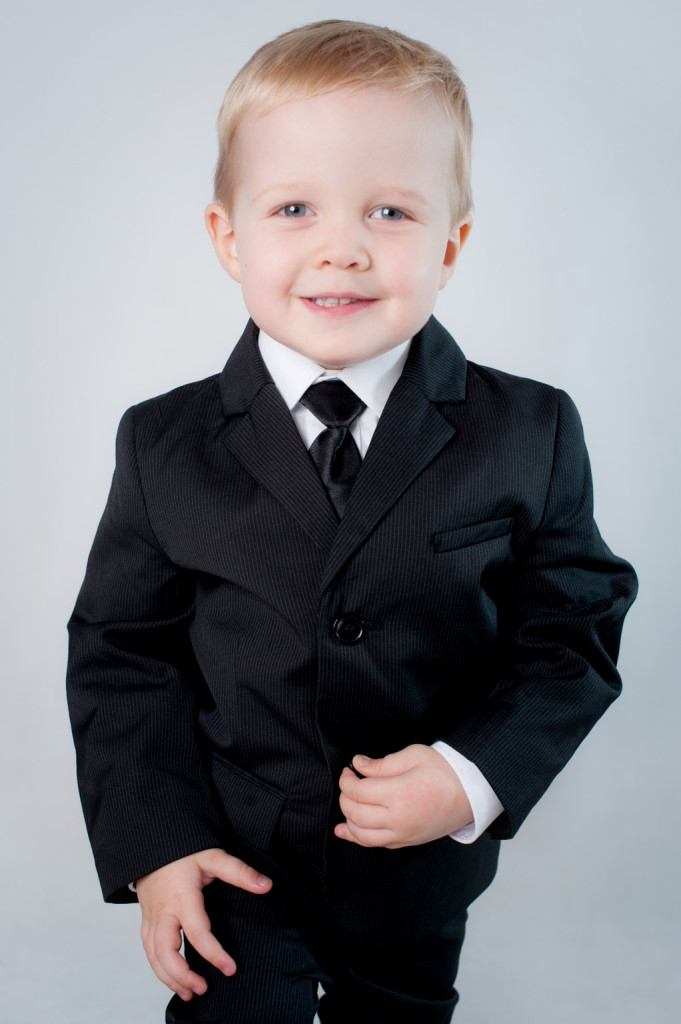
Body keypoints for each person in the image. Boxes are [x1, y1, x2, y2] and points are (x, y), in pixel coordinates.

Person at [66, 19, 638, 1024]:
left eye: (390, 210)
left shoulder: (530, 430)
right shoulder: (162, 443)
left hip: (412, 868)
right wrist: (157, 845)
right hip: (233, 858)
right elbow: (123, 654)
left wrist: (470, 777)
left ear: (451, 244)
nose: (343, 247)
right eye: (294, 208)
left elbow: (570, 637)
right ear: (228, 238)